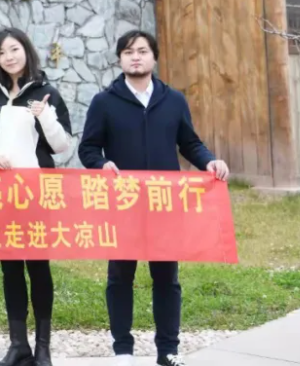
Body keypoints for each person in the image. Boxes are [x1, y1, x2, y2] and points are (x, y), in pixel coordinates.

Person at [78, 30, 229, 366]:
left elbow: (189, 143)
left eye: (143, 51)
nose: (136, 57)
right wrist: (101, 164)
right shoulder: (104, 102)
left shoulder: (172, 100)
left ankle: (168, 350)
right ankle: (123, 351)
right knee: (120, 277)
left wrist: (209, 161)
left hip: (165, 204)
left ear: (154, 57)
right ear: (120, 59)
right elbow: (88, 148)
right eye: (129, 52)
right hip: (123, 204)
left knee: (166, 278)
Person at [0, 28, 72, 366]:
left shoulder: (46, 93)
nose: (8, 57)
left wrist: (46, 117)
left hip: (36, 194)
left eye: (14, 49)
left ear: (26, 50)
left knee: (38, 267)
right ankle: (18, 345)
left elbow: (62, 145)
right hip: (0, 195)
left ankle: (43, 348)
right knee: (10, 269)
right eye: (1, 52)